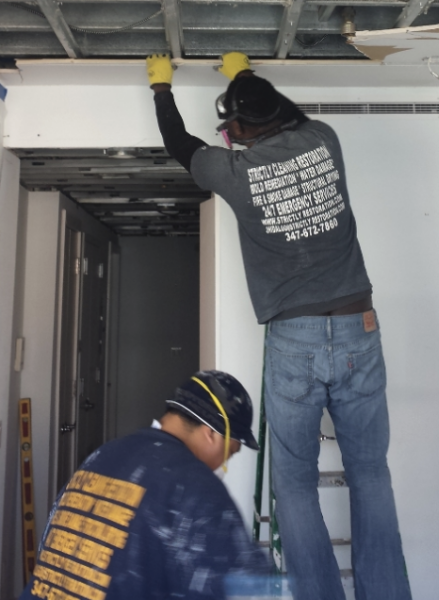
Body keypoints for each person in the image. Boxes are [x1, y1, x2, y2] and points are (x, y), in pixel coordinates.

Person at [146, 53, 412, 600]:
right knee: (370, 473)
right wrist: (243, 78)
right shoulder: (323, 140)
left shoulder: (232, 172)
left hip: (295, 338)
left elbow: (179, 143)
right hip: (358, 325)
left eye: (231, 126)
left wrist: (162, 89)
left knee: (294, 482)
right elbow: (284, 114)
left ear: (240, 129)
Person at [19, 370, 274, 600]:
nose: (223, 464)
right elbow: (248, 590)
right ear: (211, 434)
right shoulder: (196, 487)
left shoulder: (101, 457)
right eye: (230, 453)